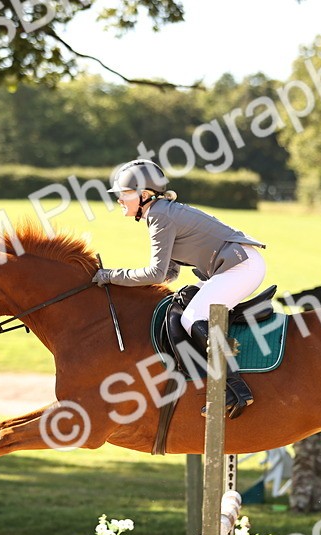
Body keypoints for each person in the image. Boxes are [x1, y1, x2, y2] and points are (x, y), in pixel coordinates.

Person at [93, 159, 267, 418]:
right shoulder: (161, 211)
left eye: (124, 194)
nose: (119, 199)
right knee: (184, 302)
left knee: (192, 318)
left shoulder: (159, 215)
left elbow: (156, 273)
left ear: (144, 195)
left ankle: (236, 389)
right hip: (235, 264)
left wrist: (111, 276)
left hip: (240, 266)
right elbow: (170, 274)